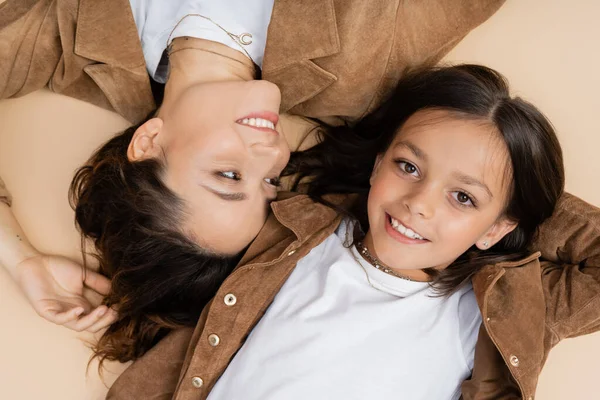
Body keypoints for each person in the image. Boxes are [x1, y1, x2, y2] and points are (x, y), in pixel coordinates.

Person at [0, 0, 506, 337]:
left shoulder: (65, 35)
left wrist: (16, 257)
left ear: (150, 140)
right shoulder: (364, 70)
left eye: (227, 176)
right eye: (268, 182)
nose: (271, 152)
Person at [106, 65, 600, 400]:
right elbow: (172, 218)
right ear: (377, 162)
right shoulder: (295, 231)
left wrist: (522, 193)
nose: (418, 204)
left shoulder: (499, 310)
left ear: (497, 226)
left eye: (463, 197)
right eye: (408, 166)